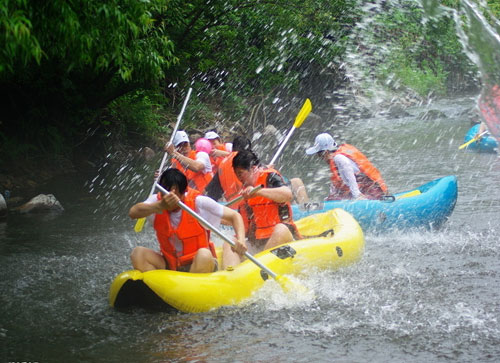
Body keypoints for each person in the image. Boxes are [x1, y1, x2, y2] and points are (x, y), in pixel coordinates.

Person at [128, 168, 247, 272]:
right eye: (167, 195)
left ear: (184, 192)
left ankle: (190, 292)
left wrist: (241, 239)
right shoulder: (155, 201)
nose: (172, 200)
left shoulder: (199, 202)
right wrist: (160, 206)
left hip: (199, 262)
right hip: (171, 264)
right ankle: (159, 289)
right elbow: (133, 213)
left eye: (176, 195)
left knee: (204, 255)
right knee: (138, 254)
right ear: (161, 192)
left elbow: (234, 216)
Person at [230, 150, 301, 260]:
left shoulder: (270, 177)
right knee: (230, 241)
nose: (239, 179)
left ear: (253, 169)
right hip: (259, 242)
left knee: (280, 229)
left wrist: (257, 192)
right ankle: (231, 274)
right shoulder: (244, 192)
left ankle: (258, 266)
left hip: (283, 235)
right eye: (236, 175)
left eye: (240, 174)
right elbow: (244, 228)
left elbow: (287, 194)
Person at [305, 133, 388, 200]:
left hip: (371, 191)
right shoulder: (338, 154)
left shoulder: (339, 158)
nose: (320, 158)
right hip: (372, 188)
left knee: (334, 199)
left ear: (326, 152)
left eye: (319, 155)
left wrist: (357, 195)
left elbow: (348, 171)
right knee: (333, 198)